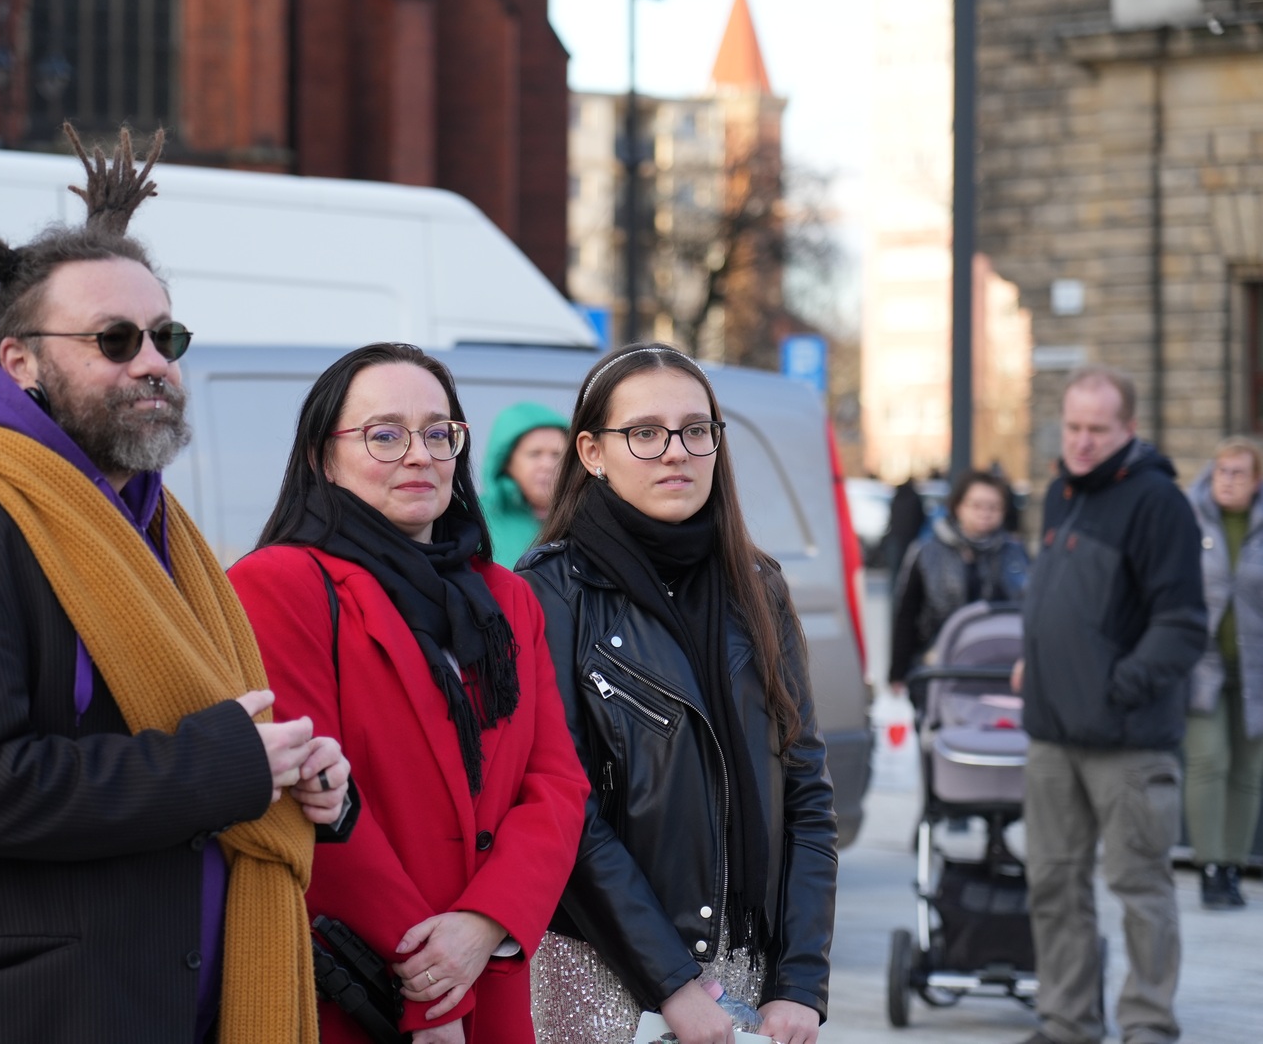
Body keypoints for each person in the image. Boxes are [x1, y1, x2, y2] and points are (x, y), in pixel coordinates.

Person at [0, 126, 354, 1043]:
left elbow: (210, 730)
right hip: (31, 1013)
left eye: (166, 336)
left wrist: (299, 780)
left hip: (178, 1001)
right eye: (113, 340)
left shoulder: (159, 530)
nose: (152, 361)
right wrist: (230, 766)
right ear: (21, 364)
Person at [227, 343, 588, 1044]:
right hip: (360, 986)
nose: (418, 454)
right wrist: (430, 994)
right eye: (383, 434)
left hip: (490, 972)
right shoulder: (280, 585)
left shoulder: (505, 596)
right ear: (319, 458)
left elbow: (555, 783)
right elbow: (310, 803)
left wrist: (485, 923)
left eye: (437, 432)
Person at [518, 342, 838, 1044]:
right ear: (593, 453)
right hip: (601, 970)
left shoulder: (758, 586)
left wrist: (800, 984)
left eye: (696, 430)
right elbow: (563, 810)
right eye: (644, 433)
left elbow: (806, 795)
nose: (675, 452)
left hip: (747, 973)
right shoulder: (549, 589)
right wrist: (669, 984)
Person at [1012, 364, 1206, 1044]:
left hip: (1126, 743)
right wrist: (1033, 661)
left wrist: (1114, 685)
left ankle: (1148, 1024)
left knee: (1140, 892)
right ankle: (1067, 1023)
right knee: (1053, 887)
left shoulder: (1158, 502)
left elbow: (1181, 624)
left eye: (1098, 429)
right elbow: (1066, 605)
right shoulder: (1062, 491)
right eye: (1072, 427)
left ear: (1128, 429)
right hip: (1051, 736)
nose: (1082, 441)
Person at [1184, 435, 1263, 910]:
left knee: (1251, 770)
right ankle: (1210, 866)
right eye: (1221, 472)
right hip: (1203, 664)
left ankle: (1234, 866)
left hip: (1257, 666)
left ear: (1257, 481)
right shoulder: (1189, 520)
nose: (1228, 481)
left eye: (1239, 473)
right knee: (1208, 760)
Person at [890, 469, 1029, 711]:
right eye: (976, 505)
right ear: (958, 507)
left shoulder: (1016, 554)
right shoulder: (927, 552)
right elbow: (906, 614)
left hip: (1000, 673)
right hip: (939, 669)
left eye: (993, 507)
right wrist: (897, 673)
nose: (985, 513)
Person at [480, 401, 569, 566]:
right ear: (507, 462)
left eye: (557, 455)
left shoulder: (584, 517)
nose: (548, 465)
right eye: (535, 454)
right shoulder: (475, 518)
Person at [883, 475, 927, 594]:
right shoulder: (915, 498)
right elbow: (921, 519)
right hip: (909, 541)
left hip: (894, 539)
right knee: (906, 576)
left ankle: (893, 603)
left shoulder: (897, 496)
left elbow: (890, 517)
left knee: (894, 576)